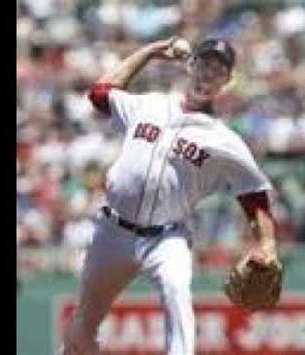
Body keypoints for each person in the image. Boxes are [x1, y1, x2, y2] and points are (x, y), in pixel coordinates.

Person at [60, 36, 281, 355]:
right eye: (205, 62)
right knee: (82, 325)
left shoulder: (225, 140)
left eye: (219, 69)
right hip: (112, 232)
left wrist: (267, 243)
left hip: (166, 237)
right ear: (191, 65)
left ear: (227, 81)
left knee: (176, 291)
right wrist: (150, 52)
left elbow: (254, 195)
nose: (210, 72)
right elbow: (99, 94)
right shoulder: (149, 104)